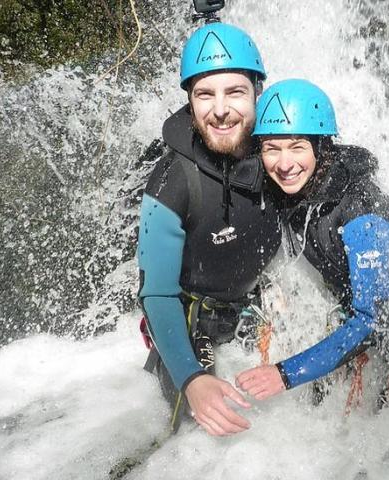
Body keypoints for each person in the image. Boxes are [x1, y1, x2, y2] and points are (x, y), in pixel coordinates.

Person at [235, 79, 389, 417]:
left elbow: (370, 318)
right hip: (348, 324)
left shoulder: (360, 212)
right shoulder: (287, 185)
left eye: (297, 146)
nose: (284, 164)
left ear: (321, 147)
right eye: (272, 148)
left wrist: (284, 374)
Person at [136, 22, 281, 437]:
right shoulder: (171, 183)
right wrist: (191, 379)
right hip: (190, 323)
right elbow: (156, 293)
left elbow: (342, 171)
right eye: (205, 94)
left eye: (234, 92)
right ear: (189, 100)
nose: (220, 110)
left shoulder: (279, 151)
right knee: (194, 438)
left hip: (259, 309)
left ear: (258, 91)